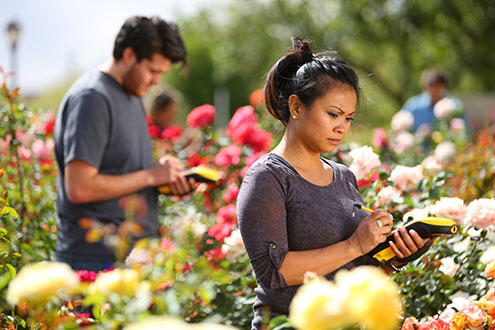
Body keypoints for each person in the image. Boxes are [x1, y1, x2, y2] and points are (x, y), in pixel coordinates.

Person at [236, 37, 428, 329]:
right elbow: (274, 272)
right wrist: (354, 245)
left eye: (348, 117)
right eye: (333, 114)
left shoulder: (344, 176)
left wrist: (393, 258)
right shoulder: (268, 177)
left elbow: (351, 274)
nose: (342, 127)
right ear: (296, 106)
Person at [54, 16, 194, 272]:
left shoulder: (131, 95)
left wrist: (164, 181)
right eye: (153, 71)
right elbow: (79, 187)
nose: (156, 81)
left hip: (131, 258)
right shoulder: (93, 98)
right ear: (129, 55)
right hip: (94, 262)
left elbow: (124, 172)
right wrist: (151, 176)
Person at [401, 69, 466, 132]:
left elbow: (465, 131)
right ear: (425, 87)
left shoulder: (455, 106)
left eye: (438, 87)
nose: (434, 91)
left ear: (444, 87)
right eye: (431, 86)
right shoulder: (412, 106)